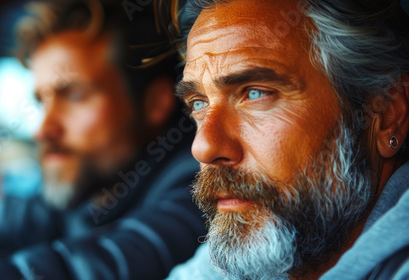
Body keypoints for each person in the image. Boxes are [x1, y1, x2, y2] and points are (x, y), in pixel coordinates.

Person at [0, 0, 206, 279]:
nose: (43, 129)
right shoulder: (83, 191)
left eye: (75, 95)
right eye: (42, 101)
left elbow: (93, 268)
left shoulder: (197, 194)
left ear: (155, 102)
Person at [166, 0, 409, 279]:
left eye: (255, 93)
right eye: (199, 103)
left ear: (388, 114)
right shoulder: (251, 252)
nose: (203, 147)